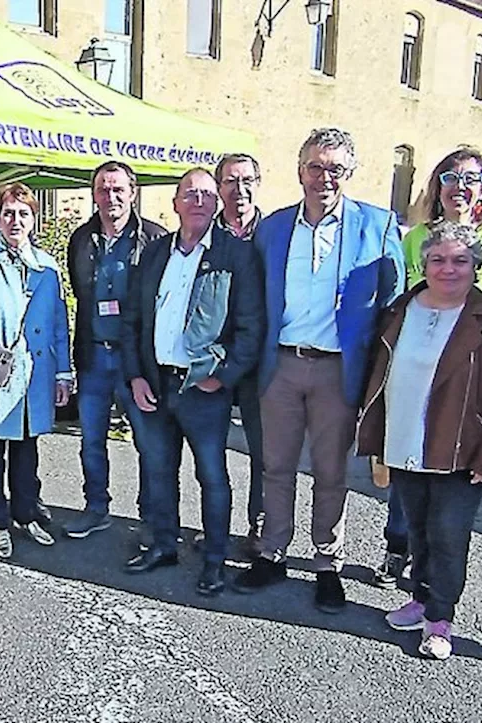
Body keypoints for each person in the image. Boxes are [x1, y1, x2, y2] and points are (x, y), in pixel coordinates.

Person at [232, 127, 404, 615]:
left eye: (334, 169)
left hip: (338, 370)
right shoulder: (273, 229)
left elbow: (392, 306)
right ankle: (273, 552)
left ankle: (328, 563)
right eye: (315, 166)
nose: (323, 177)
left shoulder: (378, 226)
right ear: (299, 170)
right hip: (282, 364)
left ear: (348, 173)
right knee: (276, 466)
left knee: (331, 472)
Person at [356, 222, 482, 660]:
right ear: (424, 264)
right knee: (419, 530)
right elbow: (378, 372)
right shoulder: (401, 309)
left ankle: (440, 620)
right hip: (404, 440)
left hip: (462, 450)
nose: (448, 269)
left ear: (475, 265)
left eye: (459, 261)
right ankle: (419, 599)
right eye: (438, 260)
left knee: (449, 535)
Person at [374, 146, 482, 588]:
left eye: (470, 179)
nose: (459, 187)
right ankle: (397, 548)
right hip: (418, 357)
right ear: (436, 184)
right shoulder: (413, 237)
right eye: (450, 177)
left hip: (473, 369)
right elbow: (397, 298)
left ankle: (437, 590)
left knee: (451, 481)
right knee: (407, 459)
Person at [121, 168, 264, 597]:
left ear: (216, 202)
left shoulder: (235, 255)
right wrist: (134, 376)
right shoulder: (155, 253)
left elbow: (251, 326)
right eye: (190, 193)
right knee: (159, 470)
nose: (199, 200)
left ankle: (215, 561)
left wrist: (221, 376)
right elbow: (132, 321)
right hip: (155, 382)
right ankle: (164, 544)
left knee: (212, 476)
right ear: (175, 203)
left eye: (206, 193)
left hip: (202, 388)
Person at [0, 182, 72, 559]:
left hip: (33, 375)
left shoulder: (48, 269)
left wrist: (63, 373)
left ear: (34, 219)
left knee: (27, 451)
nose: (15, 221)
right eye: (8, 214)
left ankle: (25, 513)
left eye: (23, 214)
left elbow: (58, 326)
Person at [63, 160, 165, 539]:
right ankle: (96, 508)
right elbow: (80, 292)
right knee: (91, 440)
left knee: (147, 442)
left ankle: (150, 516)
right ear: (94, 194)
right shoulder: (80, 239)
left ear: (132, 193)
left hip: (136, 361)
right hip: (93, 357)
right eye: (103, 190)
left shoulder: (154, 239)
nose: (111, 197)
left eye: (118, 189)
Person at [214, 152, 266, 553]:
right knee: (210, 452)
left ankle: (259, 527)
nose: (239, 189)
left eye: (246, 180)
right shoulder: (204, 235)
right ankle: (214, 527)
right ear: (219, 189)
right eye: (230, 181)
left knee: (262, 452)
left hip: (260, 360)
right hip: (212, 359)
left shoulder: (275, 234)